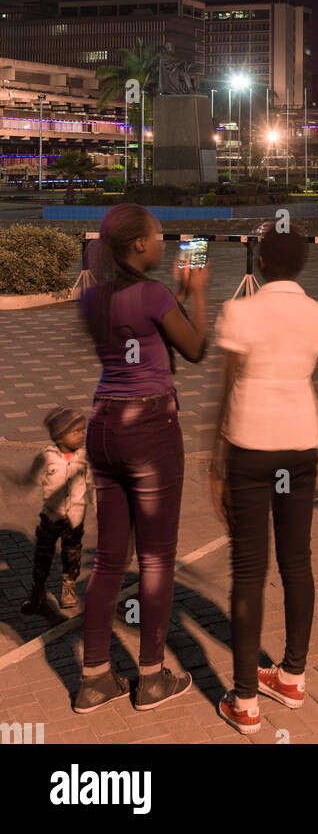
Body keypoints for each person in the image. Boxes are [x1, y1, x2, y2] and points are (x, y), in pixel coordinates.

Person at [74, 204, 209, 714]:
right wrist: (194, 295)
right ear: (137, 246)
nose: (161, 243)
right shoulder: (154, 295)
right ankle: (151, 677)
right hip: (150, 428)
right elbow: (194, 348)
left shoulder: (92, 298)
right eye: (155, 237)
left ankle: (93, 679)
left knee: (110, 558)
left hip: (103, 424)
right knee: (155, 558)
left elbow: (136, 338)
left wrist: (170, 297)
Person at [211, 222, 318, 735]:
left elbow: (224, 391)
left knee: (248, 571)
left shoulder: (240, 311)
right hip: (300, 447)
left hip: (247, 445)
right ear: (303, 265)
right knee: (297, 561)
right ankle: (291, 674)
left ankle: (245, 701)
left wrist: (213, 462)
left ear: (261, 264)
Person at [16, 407, 94, 614]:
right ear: (59, 435)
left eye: (82, 430)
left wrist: (99, 507)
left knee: (72, 553)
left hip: (75, 518)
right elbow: (31, 478)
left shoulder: (85, 458)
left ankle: (69, 587)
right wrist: (20, 482)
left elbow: (91, 485)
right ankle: (38, 591)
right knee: (43, 554)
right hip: (50, 517)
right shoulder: (46, 457)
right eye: (75, 431)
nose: (81, 435)